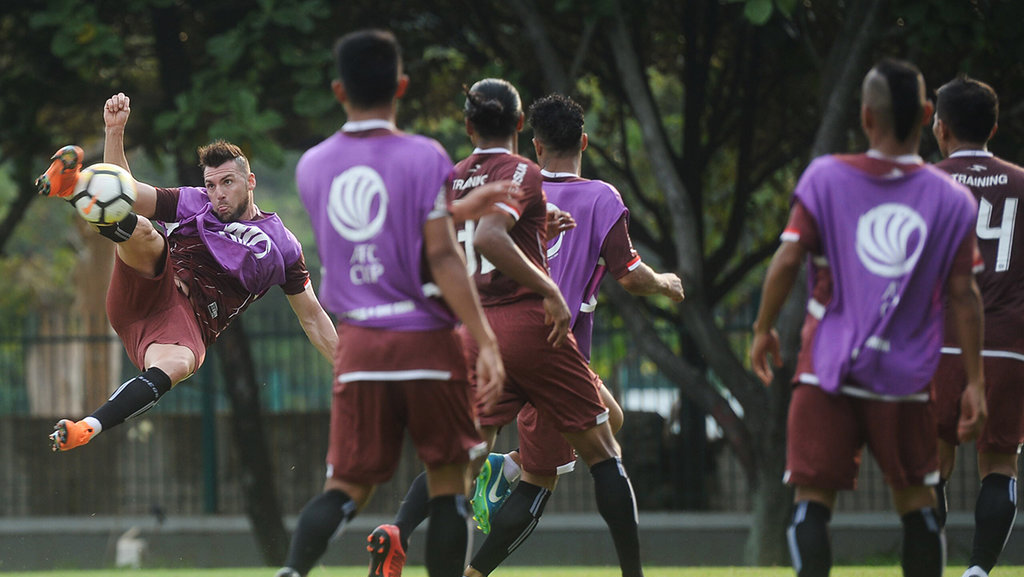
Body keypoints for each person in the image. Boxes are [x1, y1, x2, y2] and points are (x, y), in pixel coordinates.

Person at [371, 78, 646, 577]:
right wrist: (551, 292)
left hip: (472, 331)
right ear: (520, 128)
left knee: (461, 460)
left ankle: (398, 531)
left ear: (468, 125)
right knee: (603, 449)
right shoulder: (525, 172)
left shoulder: (451, 177)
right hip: (529, 327)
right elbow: (494, 238)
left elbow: (443, 246)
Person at [274, 29, 508, 577]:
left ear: (339, 90)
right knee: (450, 483)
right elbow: (443, 258)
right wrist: (488, 340)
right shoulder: (426, 156)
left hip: (358, 348)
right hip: (427, 343)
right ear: (401, 86)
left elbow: (375, 233)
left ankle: (290, 573)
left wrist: (459, 207)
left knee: (346, 487)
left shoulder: (312, 167)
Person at [749, 58, 986, 577]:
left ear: (865, 117)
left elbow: (788, 258)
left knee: (812, 503)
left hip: (827, 368)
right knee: (919, 506)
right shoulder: (953, 200)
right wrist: (974, 381)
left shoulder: (826, 176)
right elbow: (965, 295)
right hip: (904, 381)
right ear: (927, 114)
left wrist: (763, 329)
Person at [39, 93, 338, 453]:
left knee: (181, 364)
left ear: (251, 181)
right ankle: (72, 188)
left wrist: (349, 372)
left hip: (186, 323)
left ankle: (87, 427)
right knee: (149, 233)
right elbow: (126, 193)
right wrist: (114, 132)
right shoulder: (194, 201)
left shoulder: (284, 248)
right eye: (211, 185)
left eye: (227, 182)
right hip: (151, 282)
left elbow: (314, 319)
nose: (217, 194)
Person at [931, 75, 1023, 577]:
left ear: (940, 128)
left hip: (940, 344)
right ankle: (979, 572)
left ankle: (930, 567)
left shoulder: (924, 183)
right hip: (1007, 346)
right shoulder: (1022, 182)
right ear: (992, 126)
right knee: (1001, 463)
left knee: (932, 467)